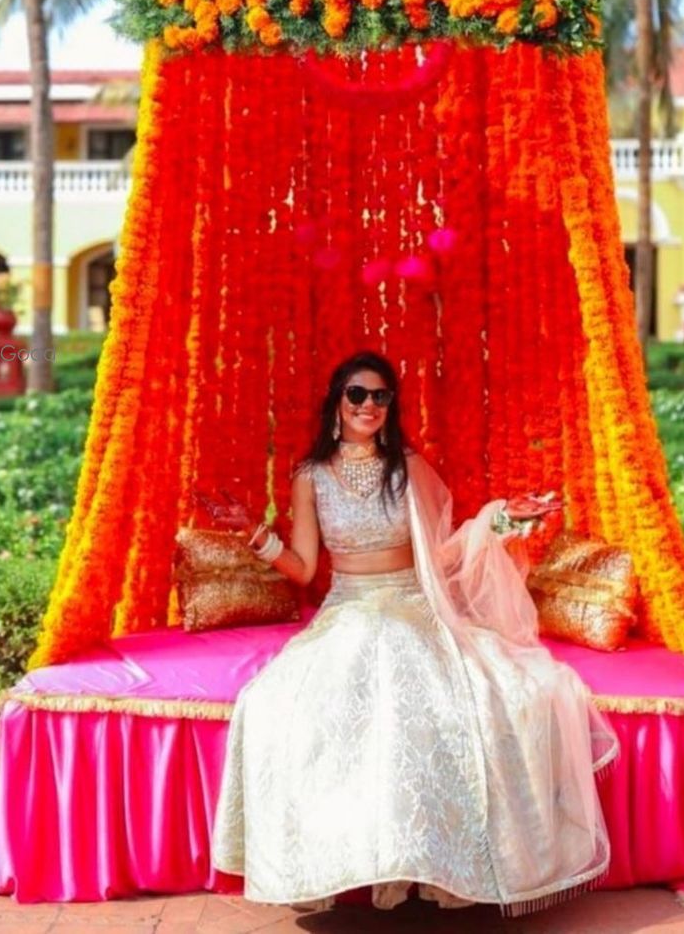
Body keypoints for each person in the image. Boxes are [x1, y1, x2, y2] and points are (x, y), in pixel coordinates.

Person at [203, 351, 618, 916]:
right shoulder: (310, 477)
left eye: (379, 396)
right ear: (337, 404)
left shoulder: (408, 467)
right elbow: (303, 567)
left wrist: (500, 520)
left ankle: (430, 864)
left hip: (411, 604)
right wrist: (254, 533)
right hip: (347, 608)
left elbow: (442, 555)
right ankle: (344, 859)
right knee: (271, 702)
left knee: (441, 699)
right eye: (357, 395)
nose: (369, 406)